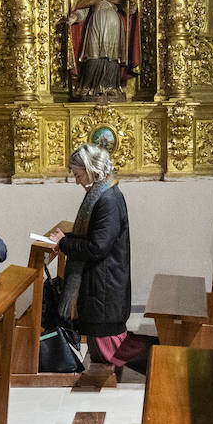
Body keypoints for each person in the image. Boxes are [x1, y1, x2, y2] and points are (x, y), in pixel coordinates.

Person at [47, 143, 148, 372]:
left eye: (78, 174)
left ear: (91, 169)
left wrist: (64, 243)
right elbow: (95, 235)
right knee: (108, 346)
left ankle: (166, 363)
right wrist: (69, 237)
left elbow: (98, 247)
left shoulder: (107, 199)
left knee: (112, 349)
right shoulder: (102, 193)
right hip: (102, 282)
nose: (76, 181)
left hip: (104, 284)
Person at [66, 0, 140, 100]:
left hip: (114, 29)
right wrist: (75, 17)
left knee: (111, 57)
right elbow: (84, 9)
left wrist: (131, 1)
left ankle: (110, 87)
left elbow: (129, 12)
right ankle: (90, 86)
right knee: (93, 56)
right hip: (95, 25)